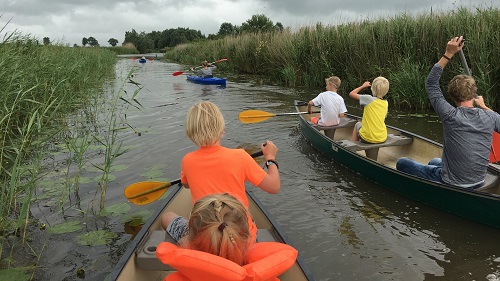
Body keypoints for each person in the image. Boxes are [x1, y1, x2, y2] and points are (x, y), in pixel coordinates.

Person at [161, 101, 280, 243]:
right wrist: (270, 158)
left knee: (166, 217)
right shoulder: (240, 156)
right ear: (222, 129)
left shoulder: (187, 160)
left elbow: (186, 185)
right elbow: (274, 186)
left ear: (190, 133)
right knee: (249, 220)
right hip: (239, 235)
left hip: (204, 237)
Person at [396, 35, 500, 188]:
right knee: (435, 162)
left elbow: (431, 84)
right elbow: (495, 117)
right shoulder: (489, 117)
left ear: (452, 96)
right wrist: (484, 107)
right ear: (474, 94)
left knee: (402, 162)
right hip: (479, 180)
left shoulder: (450, 115)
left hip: (452, 182)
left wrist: (448, 54)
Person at [165, 193, 251, 265]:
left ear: (190, 237)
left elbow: (166, 217)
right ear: (246, 237)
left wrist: (185, 234)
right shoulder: (252, 256)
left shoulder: (184, 233)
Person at [349, 77, 390, 143]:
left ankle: (353, 146)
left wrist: (363, 86)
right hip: (382, 137)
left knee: (357, 124)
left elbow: (351, 94)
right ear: (386, 90)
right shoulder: (386, 103)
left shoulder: (368, 99)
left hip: (367, 137)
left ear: (372, 88)